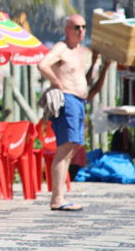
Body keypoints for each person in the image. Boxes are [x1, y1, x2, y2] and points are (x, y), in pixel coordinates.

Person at [38, 14, 100, 211]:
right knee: (64, 148)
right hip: (69, 100)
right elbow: (43, 64)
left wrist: (100, 63)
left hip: (80, 101)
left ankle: (61, 195)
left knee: (72, 148)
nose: (81, 30)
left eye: (83, 27)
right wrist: (55, 82)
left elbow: (83, 79)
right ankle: (57, 198)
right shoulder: (61, 48)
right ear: (66, 29)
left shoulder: (79, 51)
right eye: (76, 27)